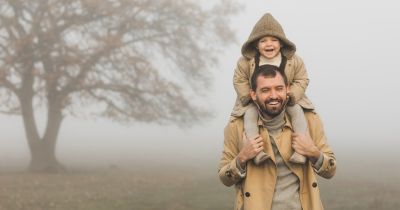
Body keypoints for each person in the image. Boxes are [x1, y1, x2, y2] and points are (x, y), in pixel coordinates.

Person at [219, 65, 336, 210]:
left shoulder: (309, 121)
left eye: (279, 88)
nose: (273, 95)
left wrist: (313, 152)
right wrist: (242, 157)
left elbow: (331, 170)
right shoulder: (237, 126)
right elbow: (225, 178)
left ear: (287, 89)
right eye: (265, 90)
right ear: (253, 94)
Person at [231, 13, 314, 165]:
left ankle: (300, 150)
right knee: (249, 116)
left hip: (288, 99)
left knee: (298, 114)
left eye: (274, 40)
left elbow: (302, 78)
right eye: (263, 41)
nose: (269, 44)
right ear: (256, 44)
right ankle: (256, 152)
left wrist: (292, 94)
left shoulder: (293, 60)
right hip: (256, 100)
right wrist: (248, 97)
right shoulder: (245, 62)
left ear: (281, 43)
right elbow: (239, 79)